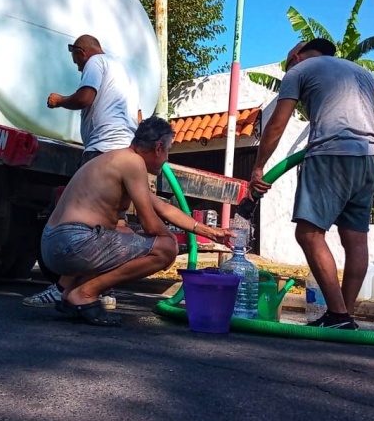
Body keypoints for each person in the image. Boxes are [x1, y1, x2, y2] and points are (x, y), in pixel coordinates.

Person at [249, 38, 374, 330]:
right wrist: (365, 132)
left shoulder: (299, 71)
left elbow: (277, 123)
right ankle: (344, 316)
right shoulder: (359, 71)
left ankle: (338, 314)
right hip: (367, 161)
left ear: (296, 56)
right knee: (355, 239)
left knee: (309, 234)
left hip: (329, 156)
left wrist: (259, 167)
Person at [40, 116, 232, 326]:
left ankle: (69, 293)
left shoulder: (119, 158)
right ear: (159, 147)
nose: (167, 158)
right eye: (167, 150)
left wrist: (212, 233)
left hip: (55, 244)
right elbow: (150, 224)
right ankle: (85, 294)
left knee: (127, 233)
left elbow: (163, 207)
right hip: (73, 243)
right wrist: (170, 243)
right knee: (166, 248)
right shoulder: (133, 163)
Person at [23, 35, 142, 309]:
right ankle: (104, 290)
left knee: (86, 223)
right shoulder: (126, 71)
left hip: (101, 150)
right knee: (114, 223)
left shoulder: (96, 62)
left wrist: (60, 100)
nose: (78, 67)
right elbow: (137, 117)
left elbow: (86, 97)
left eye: (76, 61)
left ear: (82, 52)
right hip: (125, 150)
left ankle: (62, 289)